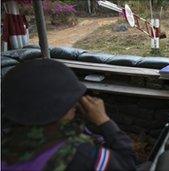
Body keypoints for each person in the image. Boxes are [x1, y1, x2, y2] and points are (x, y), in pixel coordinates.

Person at [1, 59, 136, 171]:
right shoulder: (79, 153)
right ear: (63, 106)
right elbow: (128, 165)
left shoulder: (8, 141)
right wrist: (103, 121)